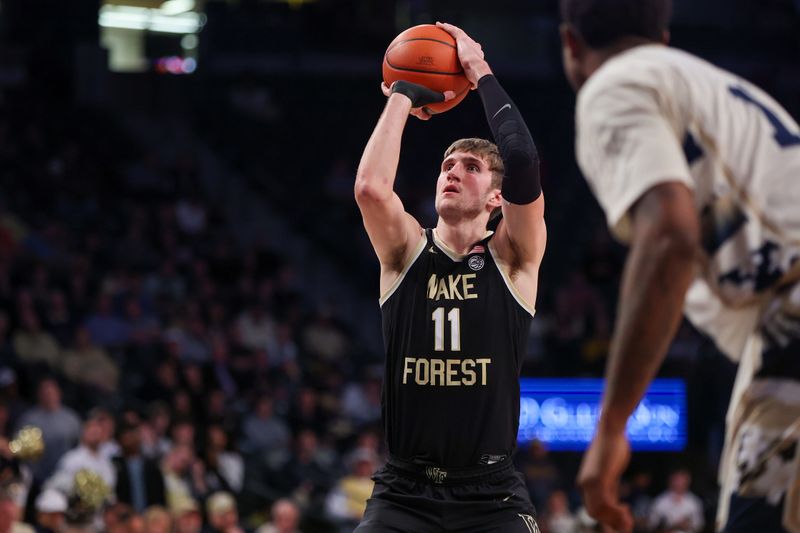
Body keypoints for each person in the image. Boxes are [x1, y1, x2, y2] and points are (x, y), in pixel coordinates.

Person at [557, 1, 800, 532]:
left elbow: (669, 235)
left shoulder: (612, 86)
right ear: (661, 37)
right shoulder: (720, 87)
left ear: (571, 44)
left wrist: (611, 427)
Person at [353, 21, 546, 532]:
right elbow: (371, 189)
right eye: (446, 164)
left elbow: (522, 160)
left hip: (491, 493)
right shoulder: (405, 250)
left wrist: (478, 69)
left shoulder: (514, 257)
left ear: (495, 199)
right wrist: (401, 94)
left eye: (471, 167)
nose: (452, 172)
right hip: (403, 491)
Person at [648, 469, 704, 533]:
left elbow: (699, 525)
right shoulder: (660, 501)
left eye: (682, 480)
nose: (679, 483)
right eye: (677, 480)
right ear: (671, 481)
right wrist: (672, 526)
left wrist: (688, 524)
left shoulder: (694, 502)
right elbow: (651, 525)